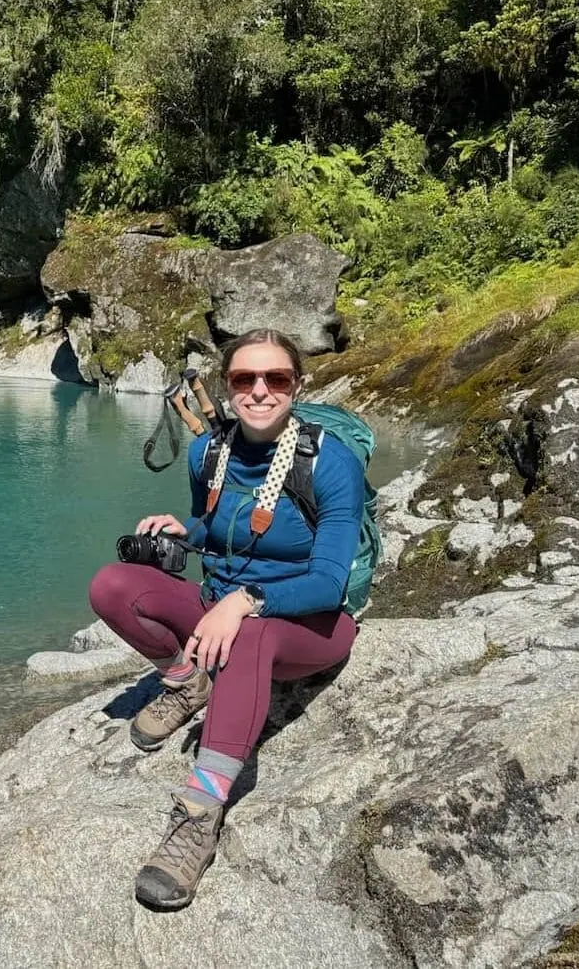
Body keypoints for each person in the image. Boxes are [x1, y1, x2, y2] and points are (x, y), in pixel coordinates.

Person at [88, 327, 366, 911]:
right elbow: (213, 530)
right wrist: (182, 531)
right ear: (227, 386)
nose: (260, 391)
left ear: (297, 385)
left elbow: (328, 580)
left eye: (276, 378)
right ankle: (189, 681)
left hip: (307, 623)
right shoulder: (208, 452)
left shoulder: (329, 462)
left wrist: (245, 602)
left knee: (248, 635)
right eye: (245, 379)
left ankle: (198, 815)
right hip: (226, 607)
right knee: (113, 586)